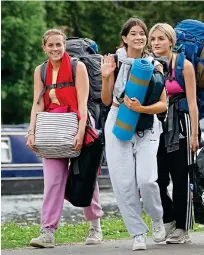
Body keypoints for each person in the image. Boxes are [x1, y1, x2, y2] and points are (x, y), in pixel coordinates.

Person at [26, 29, 104, 248]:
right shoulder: (40, 71)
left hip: (78, 124)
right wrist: (32, 131)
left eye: (59, 45)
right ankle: (47, 232)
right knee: (52, 181)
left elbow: (82, 101)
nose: (55, 49)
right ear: (44, 47)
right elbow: (38, 103)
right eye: (50, 45)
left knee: (86, 177)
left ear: (64, 45)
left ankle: (95, 227)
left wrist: (80, 132)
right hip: (52, 129)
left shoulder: (77, 67)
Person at [101, 17, 167, 251]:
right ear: (124, 38)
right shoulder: (114, 62)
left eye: (142, 33)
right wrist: (107, 76)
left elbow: (163, 105)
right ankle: (138, 233)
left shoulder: (154, 65)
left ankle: (157, 217)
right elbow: (107, 100)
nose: (138, 37)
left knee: (147, 181)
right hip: (118, 121)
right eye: (133, 33)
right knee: (124, 184)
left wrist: (141, 109)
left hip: (147, 124)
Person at [149, 23, 199, 244]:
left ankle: (182, 227)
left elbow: (192, 102)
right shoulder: (147, 65)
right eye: (153, 40)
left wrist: (195, 134)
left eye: (161, 39)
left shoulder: (184, 65)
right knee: (155, 179)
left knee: (182, 178)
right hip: (155, 126)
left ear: (171, 41)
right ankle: (168, 218)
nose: (156, 43)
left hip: (180, 124)